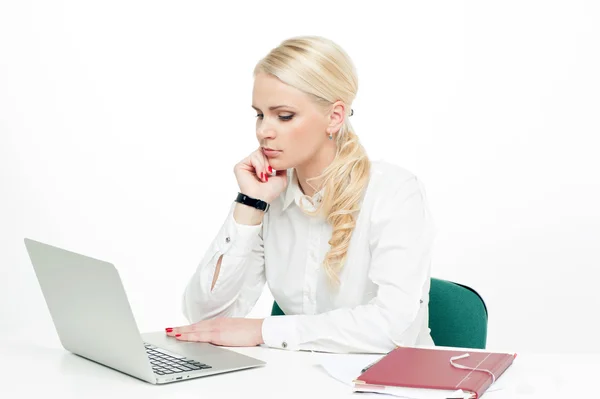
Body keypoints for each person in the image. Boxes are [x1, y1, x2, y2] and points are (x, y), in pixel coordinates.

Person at [165, 35, 437, 354]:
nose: (264, 130)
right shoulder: (273, 197)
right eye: (259, 114)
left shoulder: (395, 193)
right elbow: (207, 318)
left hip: (393, 383)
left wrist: (262, 330)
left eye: (284, 116)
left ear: (334, 117)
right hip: (303, 379)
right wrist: (251, 203)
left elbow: (394, 330)